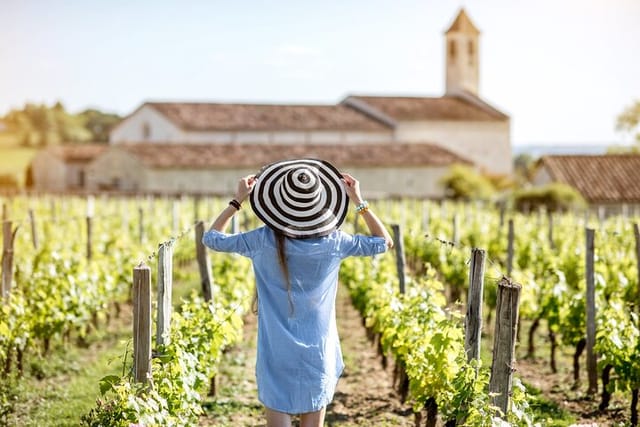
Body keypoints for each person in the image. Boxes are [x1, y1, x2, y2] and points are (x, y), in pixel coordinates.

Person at [202, 158, 393, 427]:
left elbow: (211, 239)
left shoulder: (261, 240)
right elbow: (384, 242)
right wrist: (358, 201)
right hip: (319, 351)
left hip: (275, 353)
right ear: (323, 203)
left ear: (277, 206)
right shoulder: (335, 242)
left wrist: (237, 201)